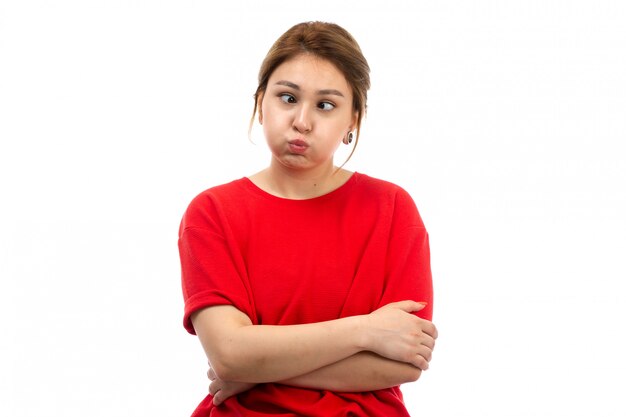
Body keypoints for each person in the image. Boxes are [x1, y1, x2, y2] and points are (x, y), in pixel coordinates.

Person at [178, 21, 437, 417]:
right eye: (287, 97)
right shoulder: (212, 213)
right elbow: (229, 355)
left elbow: (402, 362)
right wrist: (364, 331)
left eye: (326, 105)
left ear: (353, 119)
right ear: (260, 101)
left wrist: (258, 369)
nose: (302, 121)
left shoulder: (392, 210)